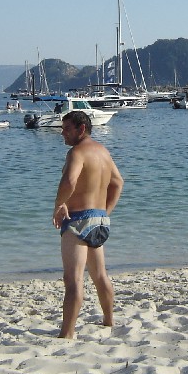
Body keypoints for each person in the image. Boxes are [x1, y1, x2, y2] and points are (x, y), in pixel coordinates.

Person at [52, 110, 124, 339]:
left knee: (72, 280)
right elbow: (118, 183)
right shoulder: (103, 152)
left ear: (81, 129)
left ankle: (67, 333)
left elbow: (70, 181)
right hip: (98, 220)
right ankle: (109, 321)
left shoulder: (77, 152)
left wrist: (59, 204)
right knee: (100, 275)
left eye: (66, 128)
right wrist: (105, 211)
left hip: (78, 220)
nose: (62, 133)